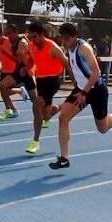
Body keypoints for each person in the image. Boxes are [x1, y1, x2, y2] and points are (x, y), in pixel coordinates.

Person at [48, 23, 112, 169]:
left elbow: (96, 72)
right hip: (81, 89)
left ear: (75, 36)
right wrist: (77, 88)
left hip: (96, 91)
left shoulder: (83, 48)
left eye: (66, 39)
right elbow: (76, 69)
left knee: (103, 128)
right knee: (63, 118)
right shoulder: (69, 49)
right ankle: (64, 158)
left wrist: (84, 93)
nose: (64, 42)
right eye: (62, 38)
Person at [25, 21, 71, 156]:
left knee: (36, 105)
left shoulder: (53, 47)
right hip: (40, 81)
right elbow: (32, 60)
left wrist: (76, 81)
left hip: (53, 80)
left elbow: (66, 63)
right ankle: (63, 105)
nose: (32, 39)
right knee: (46, 114)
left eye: (35, 37)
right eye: (31, 37)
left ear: (42, 34)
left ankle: (35, 142)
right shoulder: (32, 45)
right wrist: (26, 67)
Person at [0, 25, 32, 120]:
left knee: (3, 88)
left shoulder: (8, 41)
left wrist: (24, 38)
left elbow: (21, 38)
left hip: (13, 69)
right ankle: (14, 108)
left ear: (1, 35)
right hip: (5, 70)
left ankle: (9, 109)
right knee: (3, 91)